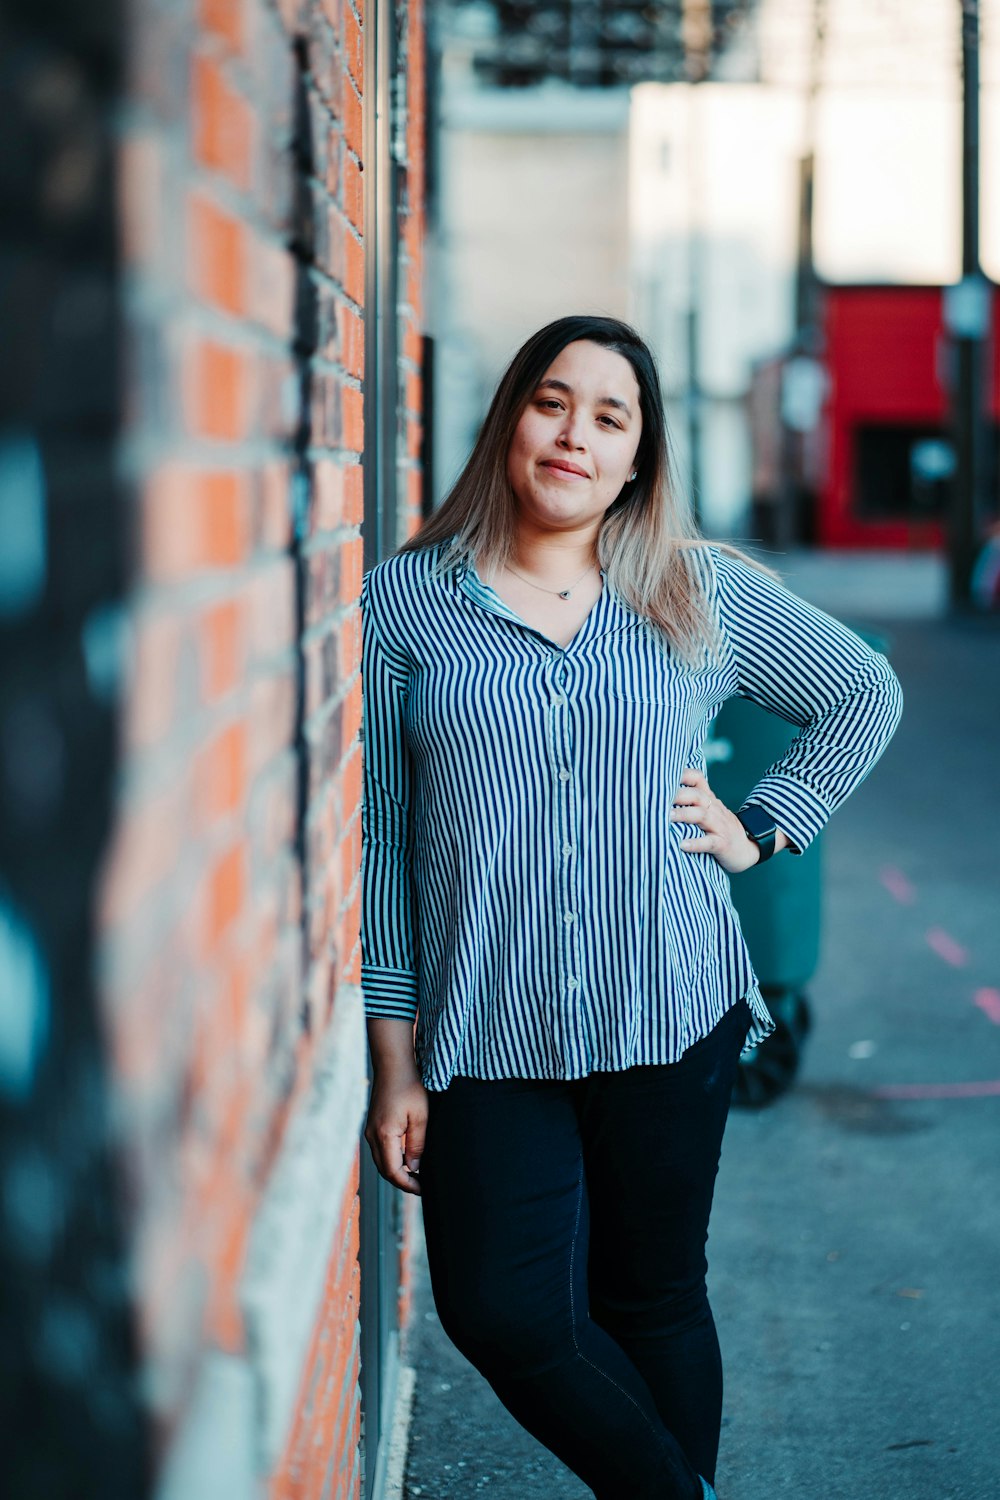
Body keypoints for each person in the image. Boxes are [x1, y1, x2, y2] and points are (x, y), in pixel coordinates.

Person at [360, 315, 903, 1500]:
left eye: (610, 416)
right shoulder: (403, 608)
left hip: (669, 1005)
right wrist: (393, 1062)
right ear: (510, 416)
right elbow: (387, 848)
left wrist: (763, 827)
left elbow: (863, 691)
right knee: (502, 1311)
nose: (575, 435)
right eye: (553, 402)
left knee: (651, 1294)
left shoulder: (693, 590)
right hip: (485, 1028)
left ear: (639, 455)